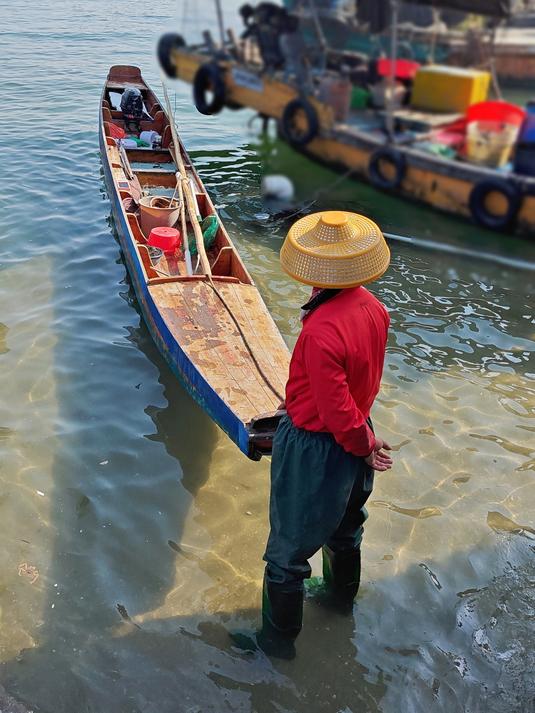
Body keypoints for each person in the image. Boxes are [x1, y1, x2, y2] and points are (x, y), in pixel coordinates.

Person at [260, 210, 393, 656]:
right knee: (347, 528)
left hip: (320, 448)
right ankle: (339, 603)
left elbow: (336, 413)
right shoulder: (374, 308)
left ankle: (276, 647)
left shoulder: (320, 330)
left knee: (287, 554)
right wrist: (366, 441)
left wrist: (365, 445)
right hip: (358, 433)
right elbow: (360, 380)